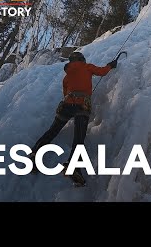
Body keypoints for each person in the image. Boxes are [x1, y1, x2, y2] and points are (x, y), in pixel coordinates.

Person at [28, 51, 122, 186]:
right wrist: (110, 65)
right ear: (81, 59)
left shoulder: (67, 76)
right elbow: (102, 72)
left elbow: (65, 92)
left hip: (66, 105)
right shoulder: (87, 67)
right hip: (81, 106)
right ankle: (73, 166)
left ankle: (34, 153)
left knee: (52, 131)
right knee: (79, 138)